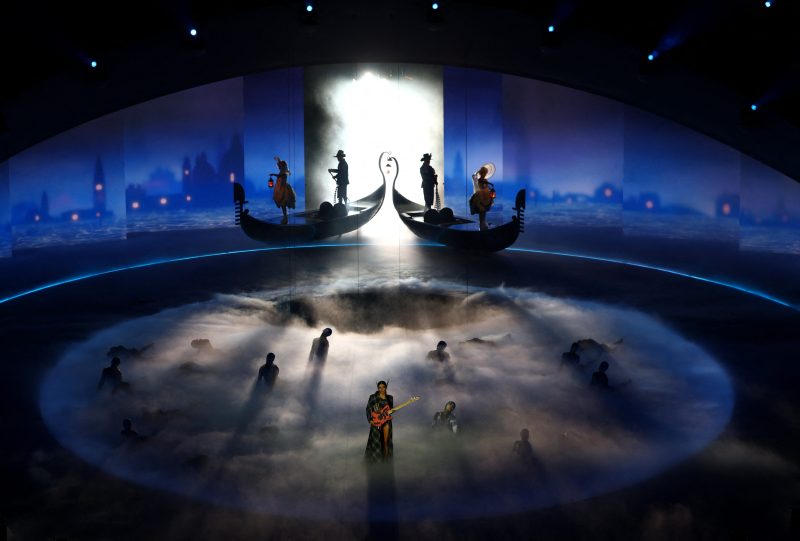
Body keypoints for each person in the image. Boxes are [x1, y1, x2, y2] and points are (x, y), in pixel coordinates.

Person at [365, 381, 394, 463]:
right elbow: (368, 409)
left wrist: (390, 412)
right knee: (376, 441)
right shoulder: (373, 397)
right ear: (378, 388)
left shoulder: (390, 398)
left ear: (386, 387)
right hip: (376, 422)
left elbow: (390, 410)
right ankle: (376, 461)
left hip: (386, 422)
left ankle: (386, 461)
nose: (381, 389)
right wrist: (370, 420)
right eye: (379, 387)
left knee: (386, 442)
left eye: (383, 387)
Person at [271, 156, 296, 223]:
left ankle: (285, 217)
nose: (278, 167)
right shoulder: (282, 171)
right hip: (280, 188)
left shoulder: (284, 172)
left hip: (283, 189)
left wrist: (273, 174)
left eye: (279, 166)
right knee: (282, 204)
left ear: (282, 166)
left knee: (283, 203)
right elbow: (280, 170)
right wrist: (278, 160)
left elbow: (281, 175)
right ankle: (285, 217)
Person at [469, 165, 494, 230]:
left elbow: (487, 187)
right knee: (481, 210)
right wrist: (477, 173)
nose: (485, 174)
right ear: (481, 173)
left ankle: (483, 224)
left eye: (485, 173)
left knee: (484, 211)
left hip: (486, 196)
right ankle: (482, 225)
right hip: (480, 197)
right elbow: (479, 186)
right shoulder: (479, 180)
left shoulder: (485, 180)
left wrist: (490, 189)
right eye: (484, 173)